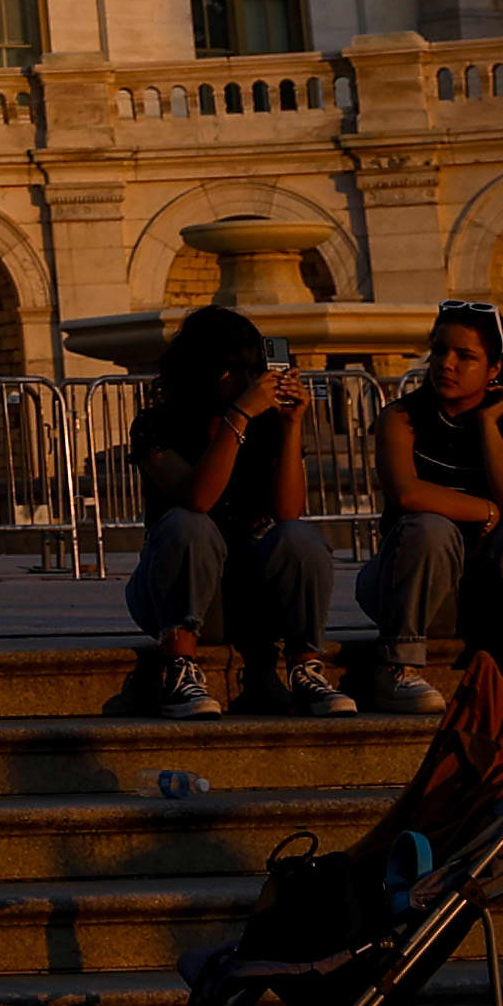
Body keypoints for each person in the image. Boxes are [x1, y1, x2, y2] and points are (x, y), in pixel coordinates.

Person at [125, 305, 337, 717]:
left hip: (248, 592)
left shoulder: (267, 425)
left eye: (258, 368)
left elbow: (289, 511)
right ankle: (178, 667)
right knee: (190, 523)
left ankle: (306, 666)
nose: (251, 380)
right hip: (174, 593)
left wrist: (292, 426)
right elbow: (198, 497)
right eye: (239, 369)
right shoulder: (157, 424)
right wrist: (237, 416)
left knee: (301, 537)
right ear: (207, 371)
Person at [356, 300, 503, 710]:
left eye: (464, 356)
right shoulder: (400, 418)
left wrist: (488, 425)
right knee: (430, 527)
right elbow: (408, 494)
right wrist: (488, 512)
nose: (445, 364)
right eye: (438, 351)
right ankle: (398, 667)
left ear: (494, 369)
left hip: (487, 595)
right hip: (411, 587)